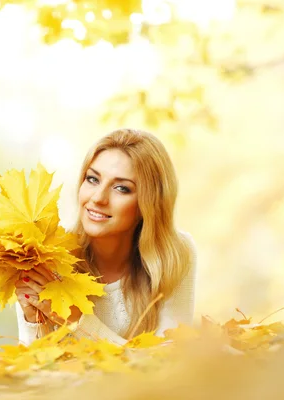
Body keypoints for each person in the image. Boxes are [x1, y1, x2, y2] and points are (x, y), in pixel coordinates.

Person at [14, 128, 197, 346]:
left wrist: (77, 321)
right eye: (92, 179)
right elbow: (34, 370)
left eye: (121, 188)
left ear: (149, 204)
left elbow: (170, 362)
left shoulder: (174, 253)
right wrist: (33, 320)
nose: (98, 198)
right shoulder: (47, 256)